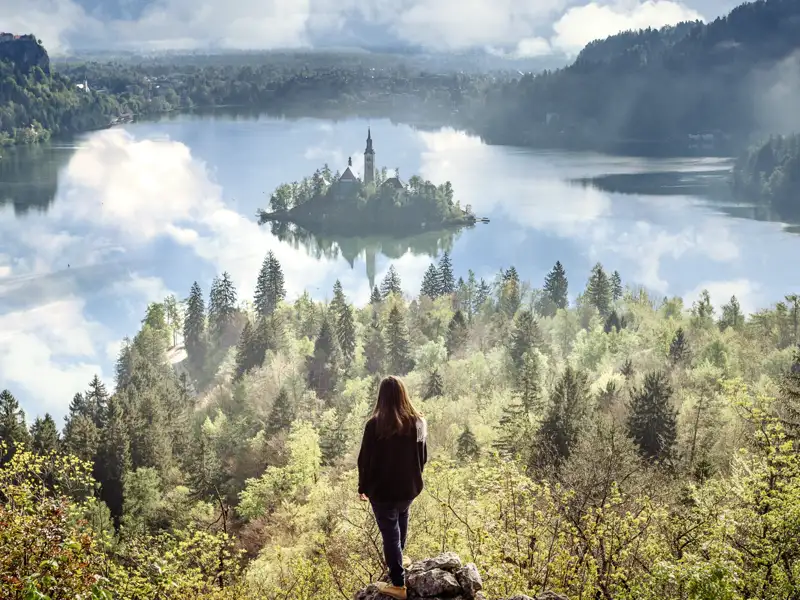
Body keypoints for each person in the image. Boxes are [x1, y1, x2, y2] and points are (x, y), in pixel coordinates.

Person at [358, 376, 428, 600]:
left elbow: (364, 460)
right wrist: (413, 477)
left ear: (382, 397)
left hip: (382, 491)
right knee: (401, 519)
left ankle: (398, 584)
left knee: (390, 533)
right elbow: (423, 456)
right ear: (403, 394)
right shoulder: (418, 422)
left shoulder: (374, 425)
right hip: (408, 488)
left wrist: (363, 486)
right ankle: (399, 562)